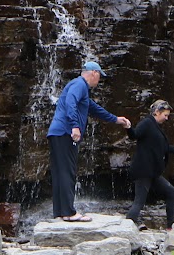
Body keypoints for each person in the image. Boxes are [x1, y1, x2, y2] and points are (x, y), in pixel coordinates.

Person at [46, 60, 130, 221]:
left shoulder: (77, 86)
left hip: (56, 133)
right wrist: (75, 126)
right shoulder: (80, 85)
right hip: (65, 133)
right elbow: (71, 102)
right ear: (94, 73)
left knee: (59, 172)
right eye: (99, 76)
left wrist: (116, 119)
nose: (99, 81)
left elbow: (94, 108)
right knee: (67, 172)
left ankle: (60, 212)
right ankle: (69, 213)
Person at [125, 100, 174, 228]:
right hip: (143, 171)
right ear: (157, 112)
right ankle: (125, 227)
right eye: (165, 115)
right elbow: (134, 135)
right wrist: (128, 127)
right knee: (139, 202)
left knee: (172, 193)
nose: (167, 118)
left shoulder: (155, 127)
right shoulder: (147, 123)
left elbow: (166, 147)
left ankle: (170, 227)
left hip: (153, 172)